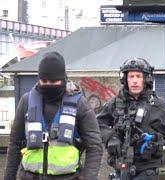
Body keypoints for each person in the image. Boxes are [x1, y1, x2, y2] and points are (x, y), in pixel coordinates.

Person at [4, 52, 103, 180]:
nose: (48, 85)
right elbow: (15, 144)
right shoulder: (26, 102)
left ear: (63, 79)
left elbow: (94, 146)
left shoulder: (79, 104)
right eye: (44, 81)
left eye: (53, 81)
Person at [97, 58, 165, 179]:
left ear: (146, 79)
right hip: (120, 167)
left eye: (138, 76)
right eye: (131, 76)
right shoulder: (115, 103)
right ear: (125, 79)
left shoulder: (157, 105)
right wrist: (110, 137)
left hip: (146, 168)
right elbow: (96, 124)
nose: (134, 81)